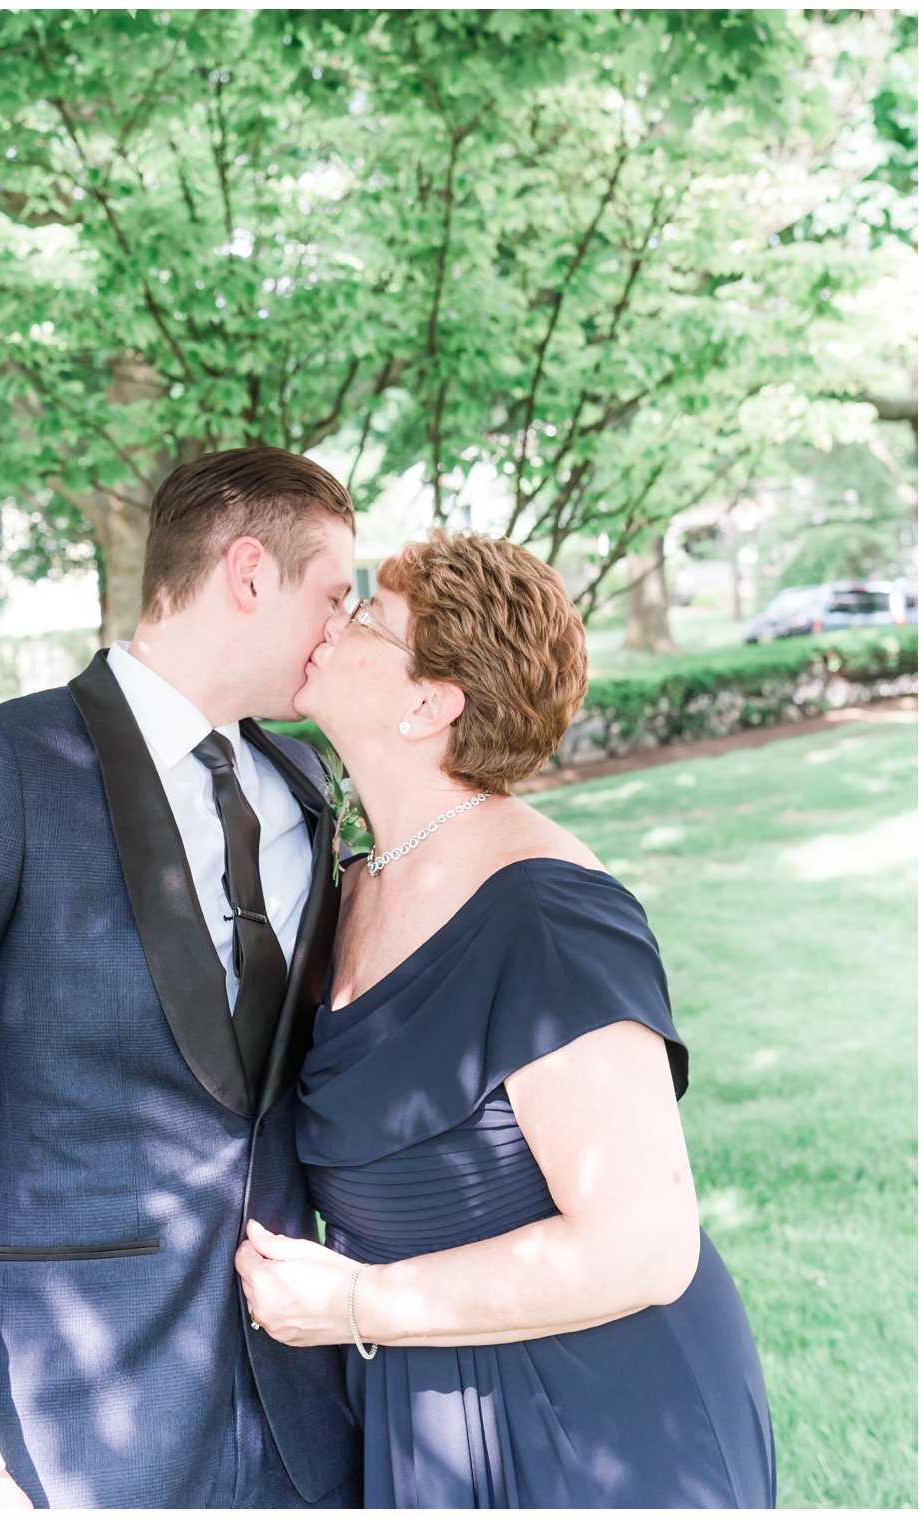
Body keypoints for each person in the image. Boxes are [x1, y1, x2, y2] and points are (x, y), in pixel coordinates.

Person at [236, 531, 775, 1507]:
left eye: (365, 615)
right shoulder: (351, 881)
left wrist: (353, 1302)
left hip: (595, 1422)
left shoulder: (547, 918)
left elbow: (642, 1245)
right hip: (425, 1409)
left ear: (428, 702)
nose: (333, 620)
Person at [0, 447, 365, 1507]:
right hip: (61, 1422)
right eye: (333, 596)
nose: (341, 630)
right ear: (248, 574)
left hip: (298, 1414)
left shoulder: (303, 780)